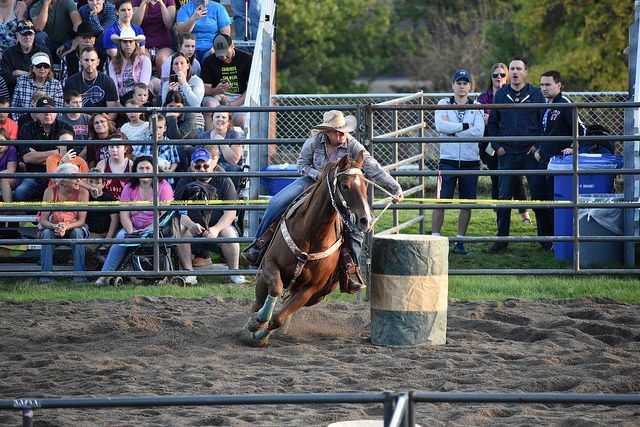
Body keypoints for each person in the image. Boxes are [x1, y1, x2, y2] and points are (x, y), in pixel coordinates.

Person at [242, 110, 404, 293]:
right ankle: (258, 245)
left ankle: (351, 271)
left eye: (344, 130)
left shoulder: (353, 145)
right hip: (312, 182)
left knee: (354, 226)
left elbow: (372, 167)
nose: (343, 134)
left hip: (339, 189)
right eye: (338, 131)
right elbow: (302, 165)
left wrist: (395, 186)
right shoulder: (313, 144)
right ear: (327, 132)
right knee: (277, 203)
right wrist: (317, 175)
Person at [486, 57, 546, 253]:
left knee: (538, 196)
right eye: (512, 69)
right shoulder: (502, 94)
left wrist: (538, 145)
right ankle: (502, 240)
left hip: (530, 152)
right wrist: (497, 145)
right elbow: (493, 123)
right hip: (508, 152)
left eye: (519, 69)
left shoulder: (536, 93)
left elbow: (543, 121)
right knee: (504, 198)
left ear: (525, 72)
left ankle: (546, 240)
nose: (515, 72)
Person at [95, 155, 178, 285]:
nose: (144, 172)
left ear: (154, 170)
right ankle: (104, 276)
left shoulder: (163, 186)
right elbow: (124, 213)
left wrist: (147, 230)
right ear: (135, 171)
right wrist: (131, 231)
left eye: (148, 168)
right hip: (133, 227)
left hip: (157, 226)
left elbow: (164, 215)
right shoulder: (129, 187)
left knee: (163, 238)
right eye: (141, 168)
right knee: (120, 238)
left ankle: (163, 276)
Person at [431, 70, 484, 255]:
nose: (462, 86)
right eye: (458, 83)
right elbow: (440, 126)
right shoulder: (443, 104)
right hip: (447, 161)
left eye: (465, 83)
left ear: (470, 86)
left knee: (466, 204)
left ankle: (460, 241)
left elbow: (478, 132)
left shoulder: (476, 106)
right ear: (452, 85)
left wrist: (453, 131)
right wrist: (464, 127)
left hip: (470, 161)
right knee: (440, 201)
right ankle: (435, 240)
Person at [175, 147, 244, 284]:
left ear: (213, 164)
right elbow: (178, 212)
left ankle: (235, 273)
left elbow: (231, 212)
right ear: (191, 166)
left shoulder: (223, 180)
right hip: (193, 228)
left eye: (206, 166)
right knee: (180, 230)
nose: (202, 169)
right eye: (197, 166)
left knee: (229, 232)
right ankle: (189, 274)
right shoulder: (184, 181)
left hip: (217, 227)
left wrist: (216, 229)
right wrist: (190, 224)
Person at [534, 69, 586, 249]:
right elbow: (546, 131)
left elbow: (581, 130)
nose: (544, 88)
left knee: (552, 204)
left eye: (548, 84)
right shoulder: (546, 105)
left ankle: (557, 243)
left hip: (557, 164)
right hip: (543, 161)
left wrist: (573, 146)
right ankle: (545, 242)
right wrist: (539, 148)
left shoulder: (565, 104)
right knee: (537, 201)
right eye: (541, 84)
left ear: (558, 85)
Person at [478, 62, 532, 225]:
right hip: (491, 145)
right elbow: (484, 120)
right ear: (491, 77)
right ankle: (499, 215)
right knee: (497, 180)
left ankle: (525, 214)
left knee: (517, 179)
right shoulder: (484, 97)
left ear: (507, 77)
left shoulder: (512, 94)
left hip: (512, 144)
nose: (499, 78)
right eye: (495, 75)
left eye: (502, 75)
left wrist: (494, 120)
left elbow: (509, 119)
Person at [38, 162, 89, 283]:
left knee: (77, 233)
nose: (78, 180)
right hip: (54, 226)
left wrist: (66, 226)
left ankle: (80, 278)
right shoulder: (50, 191)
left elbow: (81, 221)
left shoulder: (83, 192)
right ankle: (45, 278)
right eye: (74, 178)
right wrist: (56, 226)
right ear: (63, 182)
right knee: (46, 234)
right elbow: (44, 221)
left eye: (78, 177)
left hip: (74, 226)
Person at [16, 95, 73, 202]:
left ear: (56, 113)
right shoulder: (27, 128)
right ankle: (28, 218)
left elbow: (70, 157)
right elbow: (27, 158)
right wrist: (57, 153)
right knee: (20, 193)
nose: (48, 114)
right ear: (37, 114)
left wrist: (37, 155)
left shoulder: (66, 127)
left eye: (51, 111)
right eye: (44, 111)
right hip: (35, 175)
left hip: (60, 174)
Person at [201, 33, 250, 129]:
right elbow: (205, 90)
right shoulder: (208, 61)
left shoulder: (246, 58)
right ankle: (210, 142)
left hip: (239, 98)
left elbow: (250, 89)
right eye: (220, 55)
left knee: (242, 120)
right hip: (216, 97)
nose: (223, 58)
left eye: (226, 53)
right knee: (209, 106)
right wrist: (216, 90)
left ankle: (239, 143)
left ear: (232, 46)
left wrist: (233, 105)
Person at [63, 47, 119, 121]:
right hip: (78, 122)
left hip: (102, 122)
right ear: (81, 61)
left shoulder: (108, 82)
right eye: (86, 60)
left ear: (98, 62)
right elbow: (68, 108)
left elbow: (112, 111)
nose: (89, 64)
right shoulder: (70, 82)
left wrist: (102, 124)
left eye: (92, 60)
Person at [0, 19, 50, 95]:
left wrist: (18, 73)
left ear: (34, 35)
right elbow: (5, 78)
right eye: (24, 34)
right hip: (15, 94)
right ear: (17, 35)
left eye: (30, 34)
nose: (28, 37)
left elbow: (49, 75)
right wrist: (32, 76)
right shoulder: (9, 53)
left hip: (40, 93)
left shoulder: (43, 52)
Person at [84, 167, 120, 269]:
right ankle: (96, 268)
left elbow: (115, 219)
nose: (93, 185)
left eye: (97, 182)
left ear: (104, 185)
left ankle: (116, 270)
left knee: (117, 246)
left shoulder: (109, 198)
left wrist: (109, 237)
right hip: (95, 233)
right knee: (86, 248)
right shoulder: (85, 197)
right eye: (90, 182)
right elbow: (77, 181)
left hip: (111, 231)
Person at [11, 52, 63, 121]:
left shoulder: (56, 84)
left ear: (49, 69)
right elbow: (15, 107)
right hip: (25, 123)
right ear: (32, 68)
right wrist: (20, 125)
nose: (42, 68)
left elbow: (58, 112)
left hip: (49, 123)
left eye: (45, 66)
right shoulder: (22, 81)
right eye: (39, 66)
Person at [108, 26, 151, 105]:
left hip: (141, 97)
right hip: (122, 98)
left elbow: (143, 85)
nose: (128, 45)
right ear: (120, 44)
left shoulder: (144, 60)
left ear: (135, 43)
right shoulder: (113, 63)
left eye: (130, 42)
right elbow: (114, 86)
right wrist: (118, 103)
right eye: (124, 42)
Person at [200, 110, 243, 188]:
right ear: (212, 119)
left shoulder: (234, 135)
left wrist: (222, 143)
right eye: (217, 117)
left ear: (229, 120)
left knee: (234, 168)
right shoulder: (204, 135)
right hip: (209, 167)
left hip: (227, 168)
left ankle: (231, 197)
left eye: (223, 117)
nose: (220, 119)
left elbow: (234, 160)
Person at [132, 113, 179, 184]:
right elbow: (136, 157)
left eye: (160, 127)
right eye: (154, 127)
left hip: (165, 177)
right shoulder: (144, 142)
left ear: (165, 128)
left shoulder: (170, 144)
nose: (157, 130)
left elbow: (174, 161)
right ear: (149, 128)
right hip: (149, 175)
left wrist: (170, 171)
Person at [131, 0, 176, 73]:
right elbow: (135, 24)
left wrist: (161, 4)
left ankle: (164, 83)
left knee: (161, 59)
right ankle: (145, 83)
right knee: (144, 59)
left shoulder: (168, 1)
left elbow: (169, 25)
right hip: (144, 44)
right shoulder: (137, 1)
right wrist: (143, 3)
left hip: (165, 44)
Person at [0, 127, 18, 203]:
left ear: (7, 141)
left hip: (11, 178)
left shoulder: (11, 150)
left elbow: (11, 170)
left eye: (2, 141)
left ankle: (9, 208)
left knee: (3, 179)